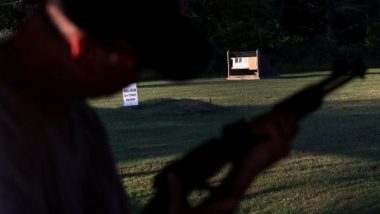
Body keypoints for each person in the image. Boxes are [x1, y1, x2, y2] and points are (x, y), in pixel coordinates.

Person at [0, 0, 299, 213]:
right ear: (86, 47)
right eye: (138, 67)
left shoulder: (80, 121)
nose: (127, 82)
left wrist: (237, 179)